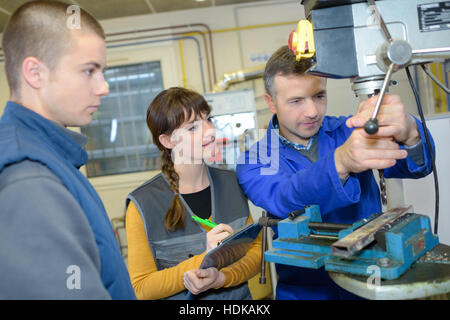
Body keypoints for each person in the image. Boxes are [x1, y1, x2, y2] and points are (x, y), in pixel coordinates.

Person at [236, 45, 435, 300]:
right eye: (296, 101)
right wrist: (340, 162)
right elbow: (283, 199)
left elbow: (416, 165)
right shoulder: (256, 158)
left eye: (319, 96)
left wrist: (410, 133)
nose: (312, 111)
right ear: (270, 102)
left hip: (370, 283)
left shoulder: (348, 130)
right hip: (306, 291)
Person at [0, 1, 135, 299]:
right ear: (35, 73)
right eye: (89, 71)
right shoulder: (29, 177)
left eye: (102, 71)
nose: (103, 87)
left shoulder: (50, 156)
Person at [125, 87, 262, 300]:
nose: (210, 131)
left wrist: (222, 278)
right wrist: (202, 260)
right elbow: (142, 287)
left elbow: (255, 251)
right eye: (192, 128)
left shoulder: (232, 182)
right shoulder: (142, 204)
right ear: (168, 141)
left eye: (208, 119)